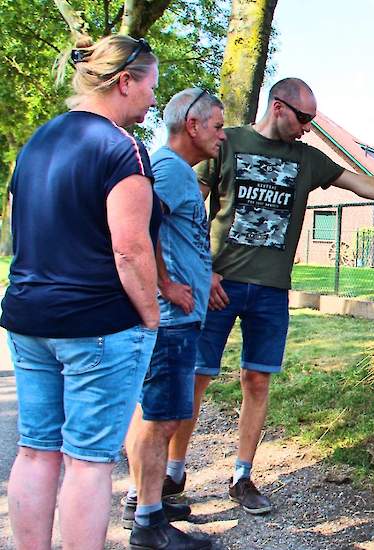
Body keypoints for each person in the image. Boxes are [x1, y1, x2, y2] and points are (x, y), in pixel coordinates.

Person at [166, 77, 374, 514]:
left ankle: (242, 476)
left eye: (312, 120)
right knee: (197, 375)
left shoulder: (306, 158)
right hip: (218, 285)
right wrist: (202, 268)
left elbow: (362, 184)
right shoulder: (225, 143)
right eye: (303, 118)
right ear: (278, 107)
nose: (308, 127)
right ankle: (174, 470)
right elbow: (193, 210)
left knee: (257, 379)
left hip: (271, 291)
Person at [1, 34, 161, 550]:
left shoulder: (38, 142)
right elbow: (130, 249)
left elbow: (16, 227)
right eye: (151, 87)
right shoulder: (122, 148)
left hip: (29, 317)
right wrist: (150, 315)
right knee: (89, 461)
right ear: (124, 82)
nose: (154, 100)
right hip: (98, 323)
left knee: (36, 450)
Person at [121, 88, 226, 550]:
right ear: (193, 125)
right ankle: (148, 524)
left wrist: (204, 275)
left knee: (155, 412)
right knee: (160, 419)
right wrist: (165, 283)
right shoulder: (168, 170)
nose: (222, 135)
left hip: (181, 316)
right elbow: (141, 224)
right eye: (218, 126)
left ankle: (142, 502)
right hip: (170, 319)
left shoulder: (178, 172)